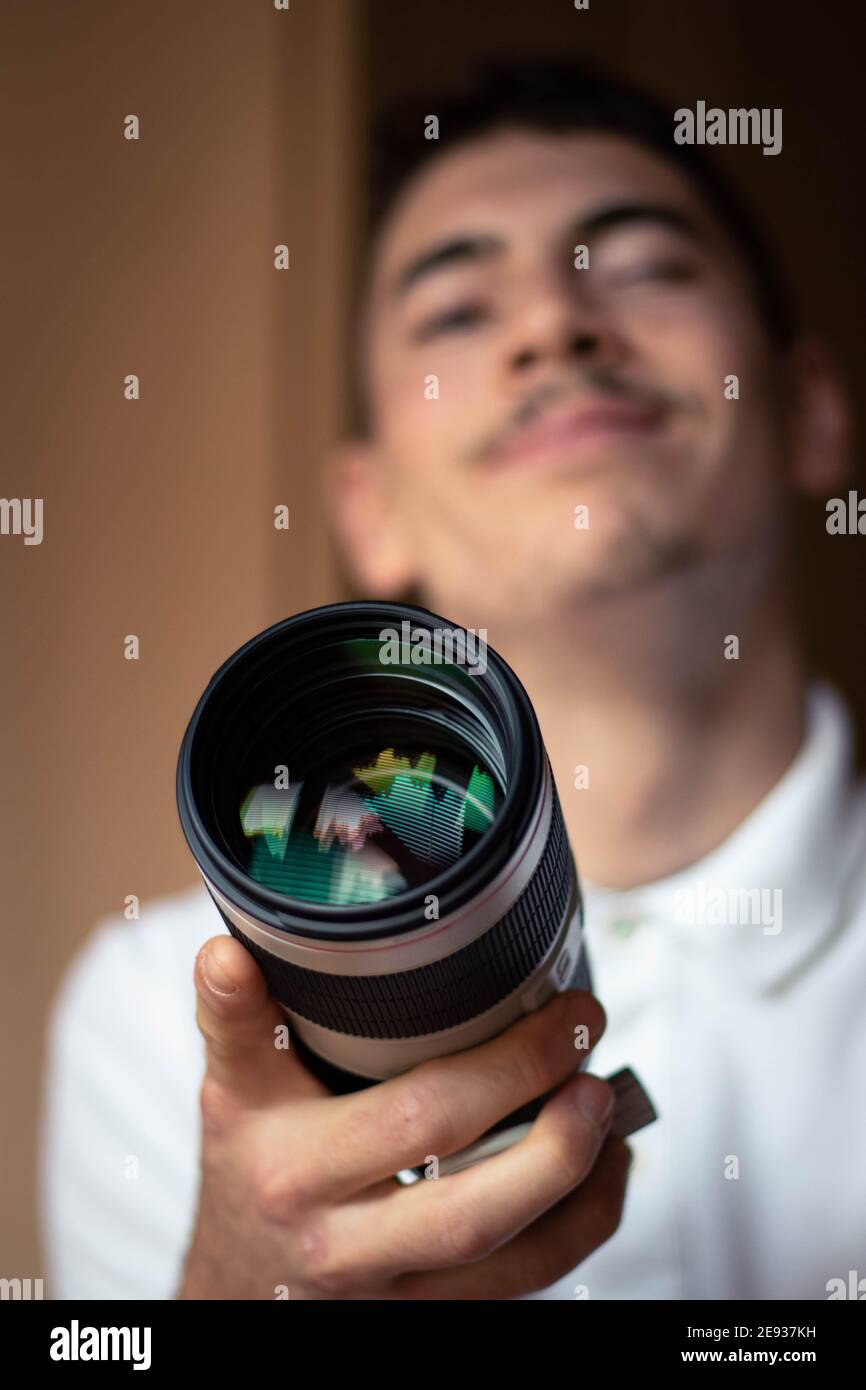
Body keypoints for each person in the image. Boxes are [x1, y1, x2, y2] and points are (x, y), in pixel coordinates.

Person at [41, 62, 866, 1301]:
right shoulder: (160, 1029)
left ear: (808, 407)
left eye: (641, 266)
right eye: (457, 313)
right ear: (367, 512)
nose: (553, 325)